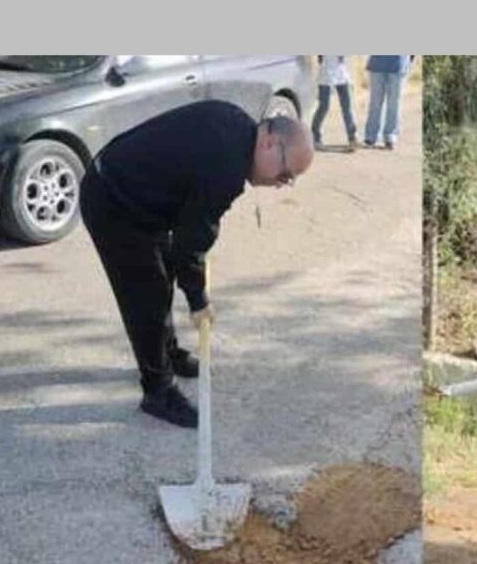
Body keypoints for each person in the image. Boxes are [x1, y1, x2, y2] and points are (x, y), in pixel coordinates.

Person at [80, 100, 314, 428]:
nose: (281, 183)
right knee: (145, 294)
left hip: (145, 196)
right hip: (114, 199)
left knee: (160, 278)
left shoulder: (237, 125)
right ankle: (157, 390)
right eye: (286, 174)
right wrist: (198, 300)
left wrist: (192, 285)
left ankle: (167, 353)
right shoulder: (227, 165)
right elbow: (192, 241)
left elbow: (188, 238)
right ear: (269, 142)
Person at [363, 55, 414, 150]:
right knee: (375, 102)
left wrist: (409, 61)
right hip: (376, 64)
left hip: (399, 64)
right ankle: (371, 136)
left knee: (394, 103)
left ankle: (390, 137)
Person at [312, 55, 357, 150]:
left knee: (346, 107)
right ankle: (315, 136)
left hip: (341, 74)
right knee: (324, 106)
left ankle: (352, 138)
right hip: (325, 73)